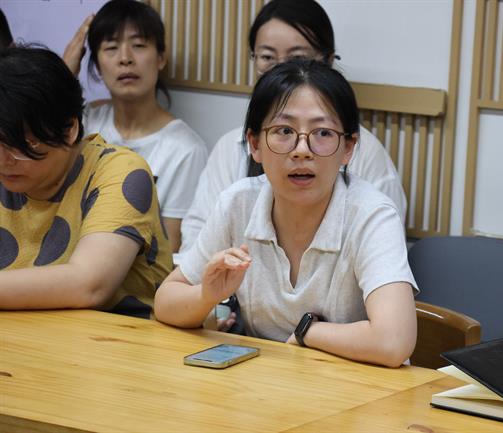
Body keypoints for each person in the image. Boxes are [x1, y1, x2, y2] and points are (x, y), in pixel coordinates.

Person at [155, 60, 417, 368]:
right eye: (284, 131)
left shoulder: (372, 215)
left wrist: (308, 333)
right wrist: (206, 295)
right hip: (267, 383)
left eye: (322, 132)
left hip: (358, 386)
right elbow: (165, 301)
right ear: (254, 144)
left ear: (348, 148)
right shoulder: (238, 203)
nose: (302, 150)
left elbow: (393, 341)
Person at [179, 0, 406, 254]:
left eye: (298, 58)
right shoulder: (231, 149)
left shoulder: (365, 154)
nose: (282, 69)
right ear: (254, 144)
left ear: (328, 60)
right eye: (267, 57)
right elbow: (197, 239)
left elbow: (384, 245)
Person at [0, 46, 172, 318]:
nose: (4, 160)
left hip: (117, 338)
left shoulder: (120, 171)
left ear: (69, 129)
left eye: (20, 144)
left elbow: (89, 285)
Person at [64, 0, 208, 252]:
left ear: (161, 57)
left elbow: (170, 248)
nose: (125, 59)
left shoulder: (186, 149)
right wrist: (65, 75)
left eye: (139, 45)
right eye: (111, 47)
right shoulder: (84, 123)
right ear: (96, 64)